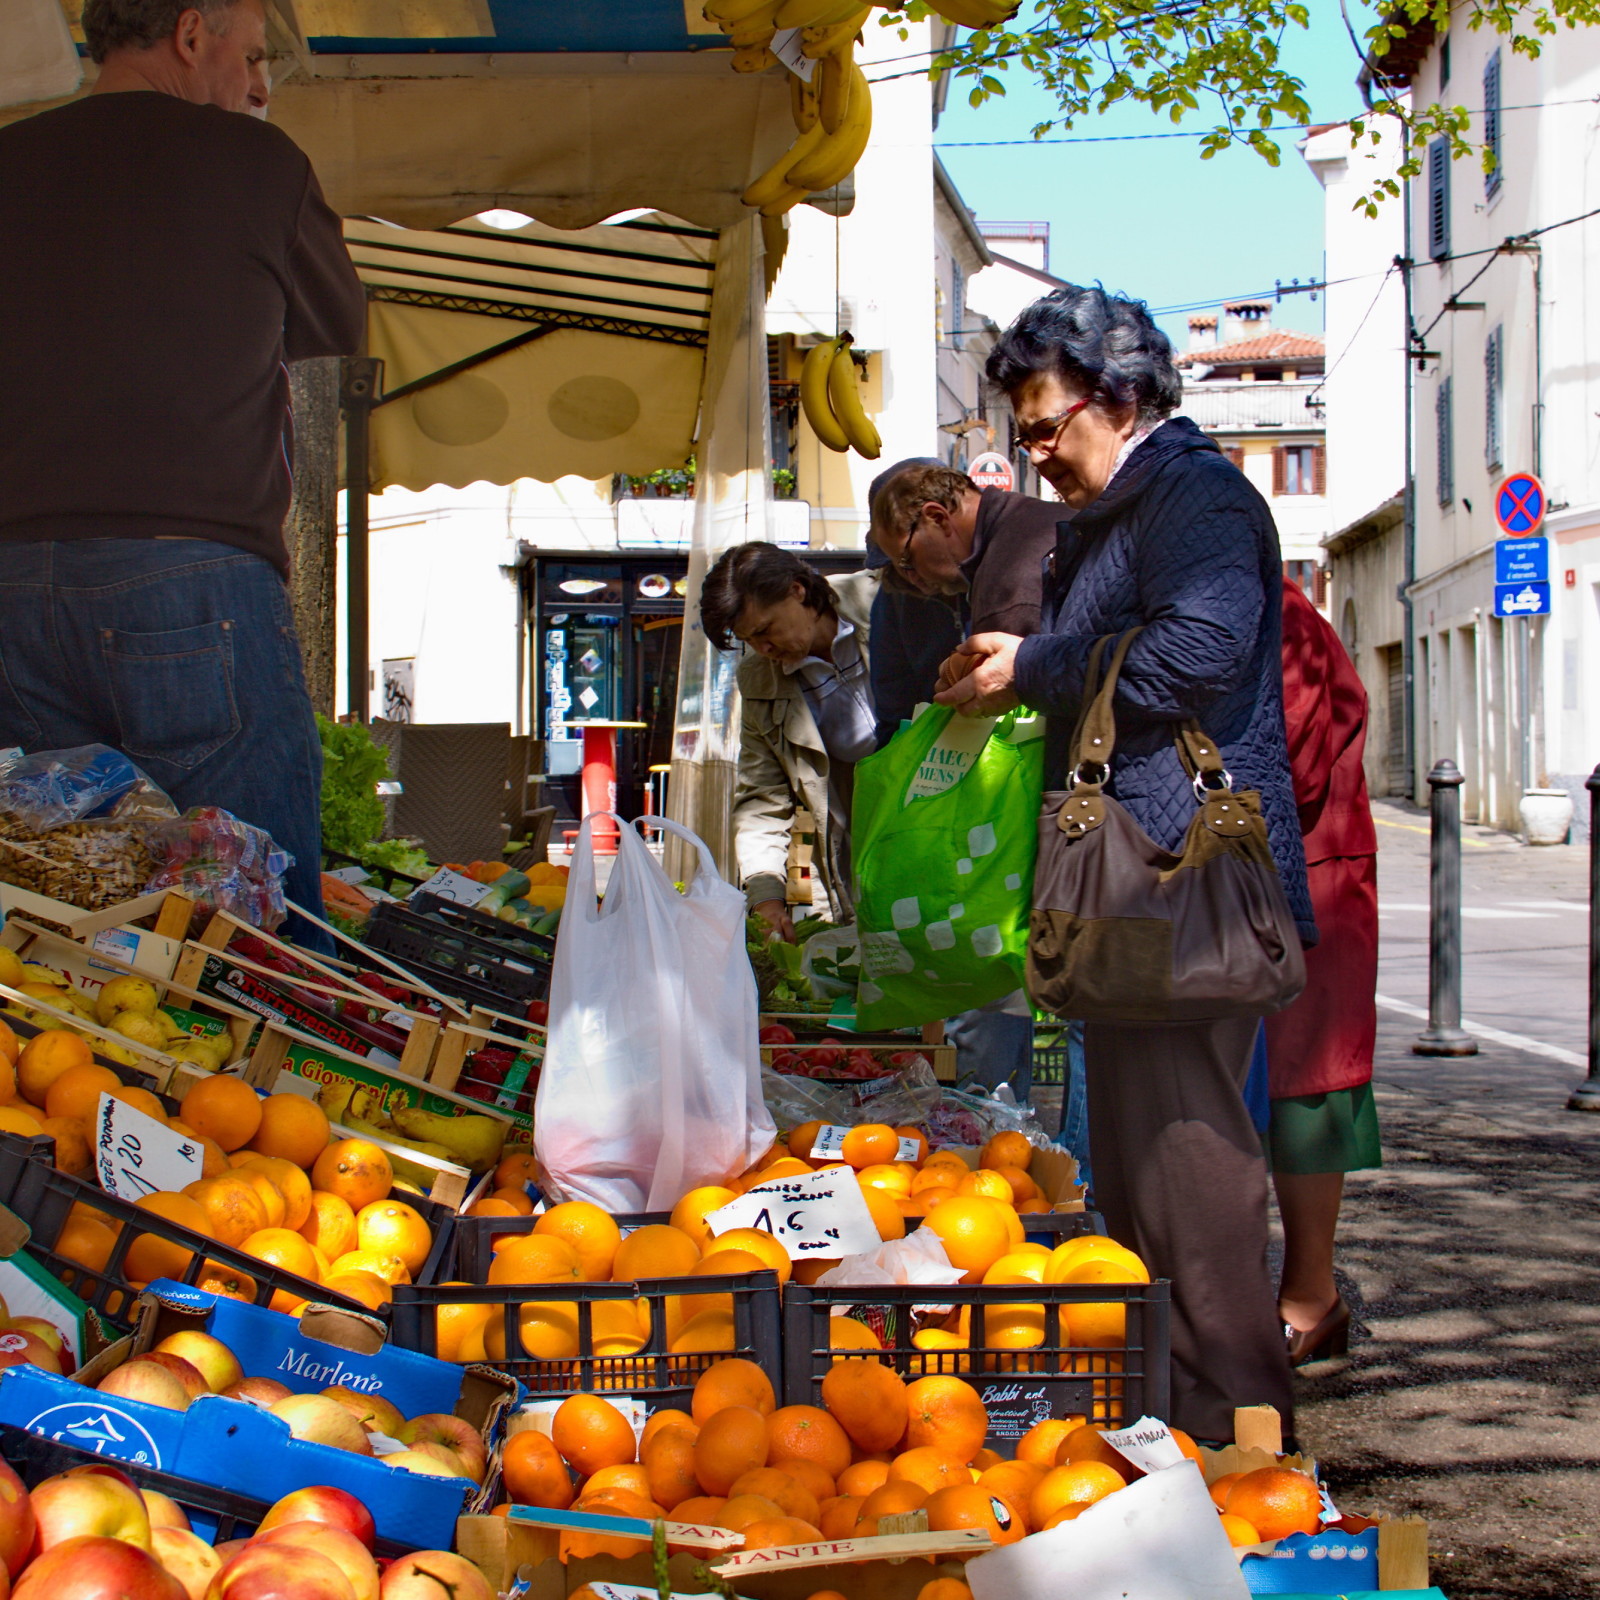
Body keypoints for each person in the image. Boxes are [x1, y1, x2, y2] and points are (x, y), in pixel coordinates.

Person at [937, 284, 1314, 1441]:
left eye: (1048, 426)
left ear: (1120, 394)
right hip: (1140, 884)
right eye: (1025, 434)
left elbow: (1196, 656)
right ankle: (1189, 1423)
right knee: (1149, 1171)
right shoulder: (1123, 508)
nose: (1036, 454)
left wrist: (1036, 665)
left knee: (1191, 1169)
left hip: (1179, 877)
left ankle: (1242, 1437)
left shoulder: (1191, 496)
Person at [0, 0, 367, 952]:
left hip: (12, 584)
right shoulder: (258, 163)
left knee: (59, 917)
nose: (260, 86)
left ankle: (86, 1097)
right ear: (191, 33)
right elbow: (333, 326)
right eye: (251, 57)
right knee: (252, 925)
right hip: (191, 581)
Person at [870, 460, 1065, 1103]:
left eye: (905, 559)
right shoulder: (1024, 533)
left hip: (1058, 818)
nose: (911, 578)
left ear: (935, 517)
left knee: (1032, 1025)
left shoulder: (1010, 576)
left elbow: (1014, 708)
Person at [1266, 578, 1381, 1364]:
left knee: (1307, 1087)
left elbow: (1294, 755)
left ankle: (1312, 1296)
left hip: (1310, 870)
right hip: (1273, 870)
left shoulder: (1275, 611)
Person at [700, 543, 878, 939]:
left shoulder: (882, 601)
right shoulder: (758, 677)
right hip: (845, 859)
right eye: (749, 640)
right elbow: (763, 796)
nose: (763, 649)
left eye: (764, 630)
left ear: (797, 590)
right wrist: (765, 894)